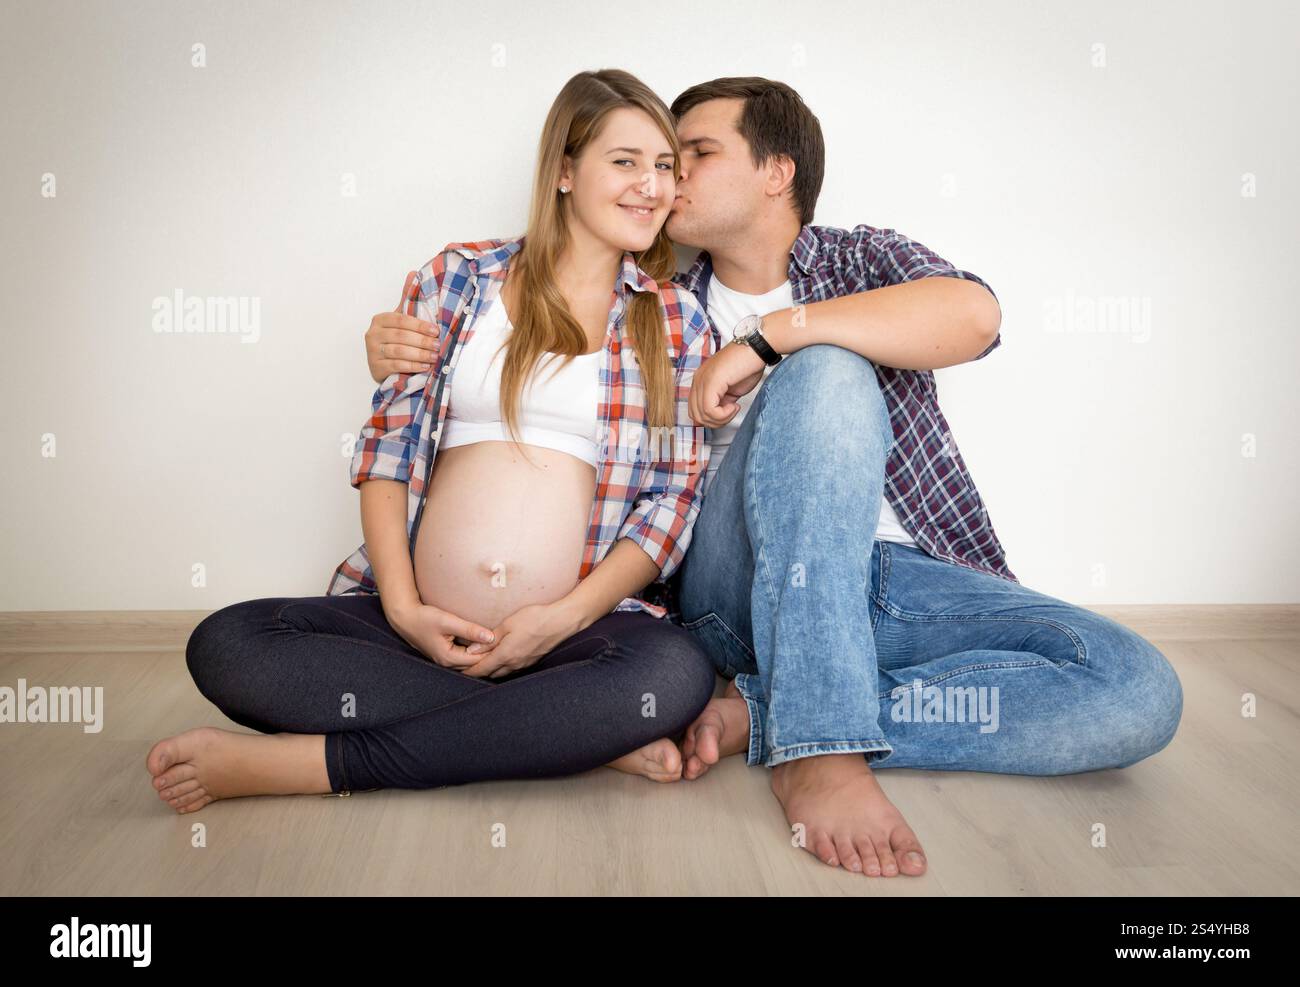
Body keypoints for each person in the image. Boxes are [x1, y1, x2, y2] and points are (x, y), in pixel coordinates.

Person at [366, 77, 1185, 880]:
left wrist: (765, 339)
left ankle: (772, 712)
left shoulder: (859, 259)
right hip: (738, 583)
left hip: (897, 578)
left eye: (693, 152)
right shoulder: (655, 303)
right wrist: (405, 347)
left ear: (776, 171)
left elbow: (975, 317)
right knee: (828, 371)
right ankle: (820, 748)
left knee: (1135, 688)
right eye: (652, 158)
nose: (666, 177)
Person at [145, 69, 718, 814]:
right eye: (626, 161)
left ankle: (315, 764)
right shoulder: (459, 280)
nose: (652, 184)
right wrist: (409, 610)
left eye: (666, 166)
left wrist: (563, 618)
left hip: (577, 631)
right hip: (414, 629)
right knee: (229, 641)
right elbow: (387, 444)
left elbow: (671, 501)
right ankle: (567, 732)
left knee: (670, 676)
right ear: (565, 172)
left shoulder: (678, 324)